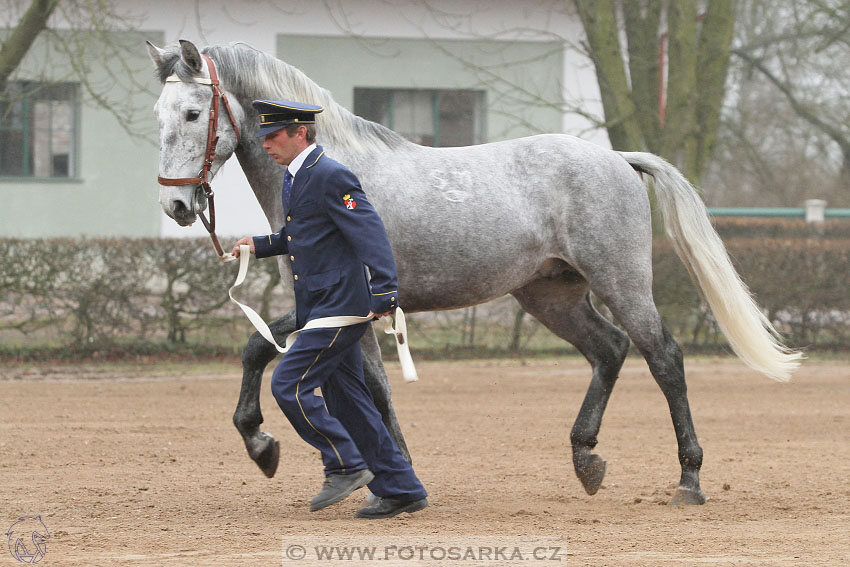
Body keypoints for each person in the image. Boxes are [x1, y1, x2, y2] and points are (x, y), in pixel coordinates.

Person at [231, 99, 428, 519]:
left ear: (300, 132)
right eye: (263, 137)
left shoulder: (330, 174)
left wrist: (386, 294)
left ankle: (344, 463)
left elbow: (370, 233)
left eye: (273, 136)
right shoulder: (295, 176)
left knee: (289, 384)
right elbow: (304, 234)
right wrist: (261, 244)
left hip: (340, 306)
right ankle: (401, 487)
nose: (266, 144)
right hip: (319, 305)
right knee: (349, 402)